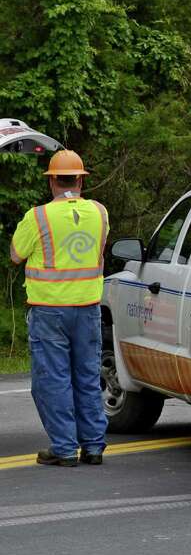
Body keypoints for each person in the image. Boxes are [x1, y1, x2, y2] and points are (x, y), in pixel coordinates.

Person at [9, 150, 109, 467]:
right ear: (80, 179)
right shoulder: (100, 212)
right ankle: (93, 446)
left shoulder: (37, 216)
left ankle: (65, 449)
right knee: (87, 376)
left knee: (53, 379)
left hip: (49, 311)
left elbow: (15, 255)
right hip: (88, 307)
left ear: (52, 181)